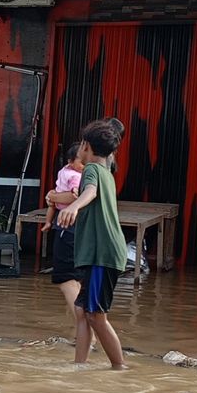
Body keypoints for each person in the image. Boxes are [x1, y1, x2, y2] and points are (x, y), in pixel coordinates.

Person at [57, 121, 130, 370]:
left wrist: (74, 206)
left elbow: (90, 192)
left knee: (96, 316)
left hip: (103, 254)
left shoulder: (91, 170)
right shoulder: (106, 171)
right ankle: (80, 367)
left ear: (85, 146)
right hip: (102, 254)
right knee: (83, 312)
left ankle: (120, 368)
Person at [42, 142, 88, 334]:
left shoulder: (81, 176)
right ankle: (82, 329)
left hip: (69, 227)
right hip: (80, 229)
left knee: (66, 278)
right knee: (76, 279)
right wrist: (53, 197)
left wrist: (53, 197)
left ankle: (84, 328)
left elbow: (73, 197)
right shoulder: (94, 173)